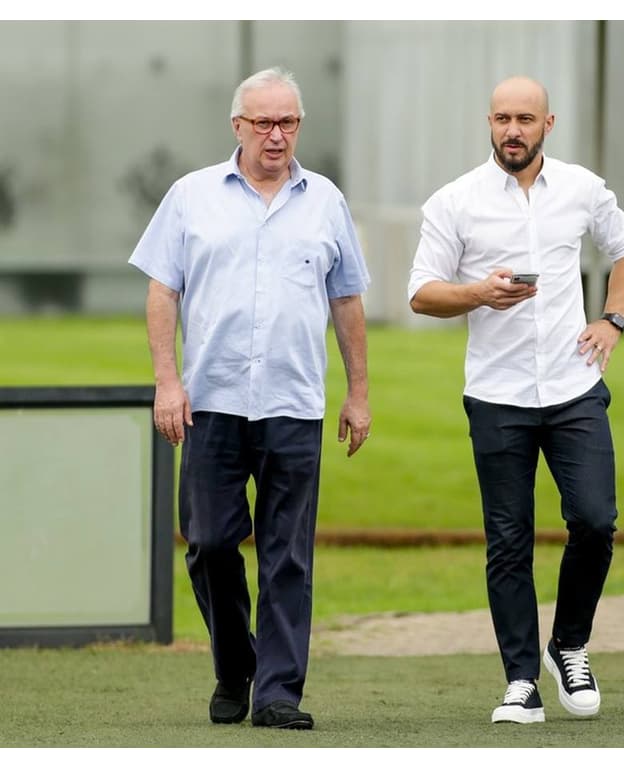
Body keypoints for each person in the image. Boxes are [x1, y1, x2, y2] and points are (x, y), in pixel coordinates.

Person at [129, 67, 371, 730]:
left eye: (287, 122)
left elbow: (346, 299)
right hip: (211, 401)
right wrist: (166, 380)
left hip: (295, 403)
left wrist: (358, 392)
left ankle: (277, 694)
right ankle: (236, 665)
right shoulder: (190, 196)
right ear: (237, 125)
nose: (276, 135)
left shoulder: (325, 201)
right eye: (263, 122)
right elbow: (162, 292)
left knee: (287, 556)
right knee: (208, 542)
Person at [408, 76, 624, 725]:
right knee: (508, 539)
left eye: (525, 118)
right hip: (497, 394)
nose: (513, 129)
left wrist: (613, 320)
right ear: (489, 122)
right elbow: (422, 292)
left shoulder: (581, 188)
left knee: (595, 521)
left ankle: (568, 644)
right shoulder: (456, 201)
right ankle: (520, 680)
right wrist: (478, 293)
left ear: (548, 122)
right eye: (503, 118)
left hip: (573, 388)